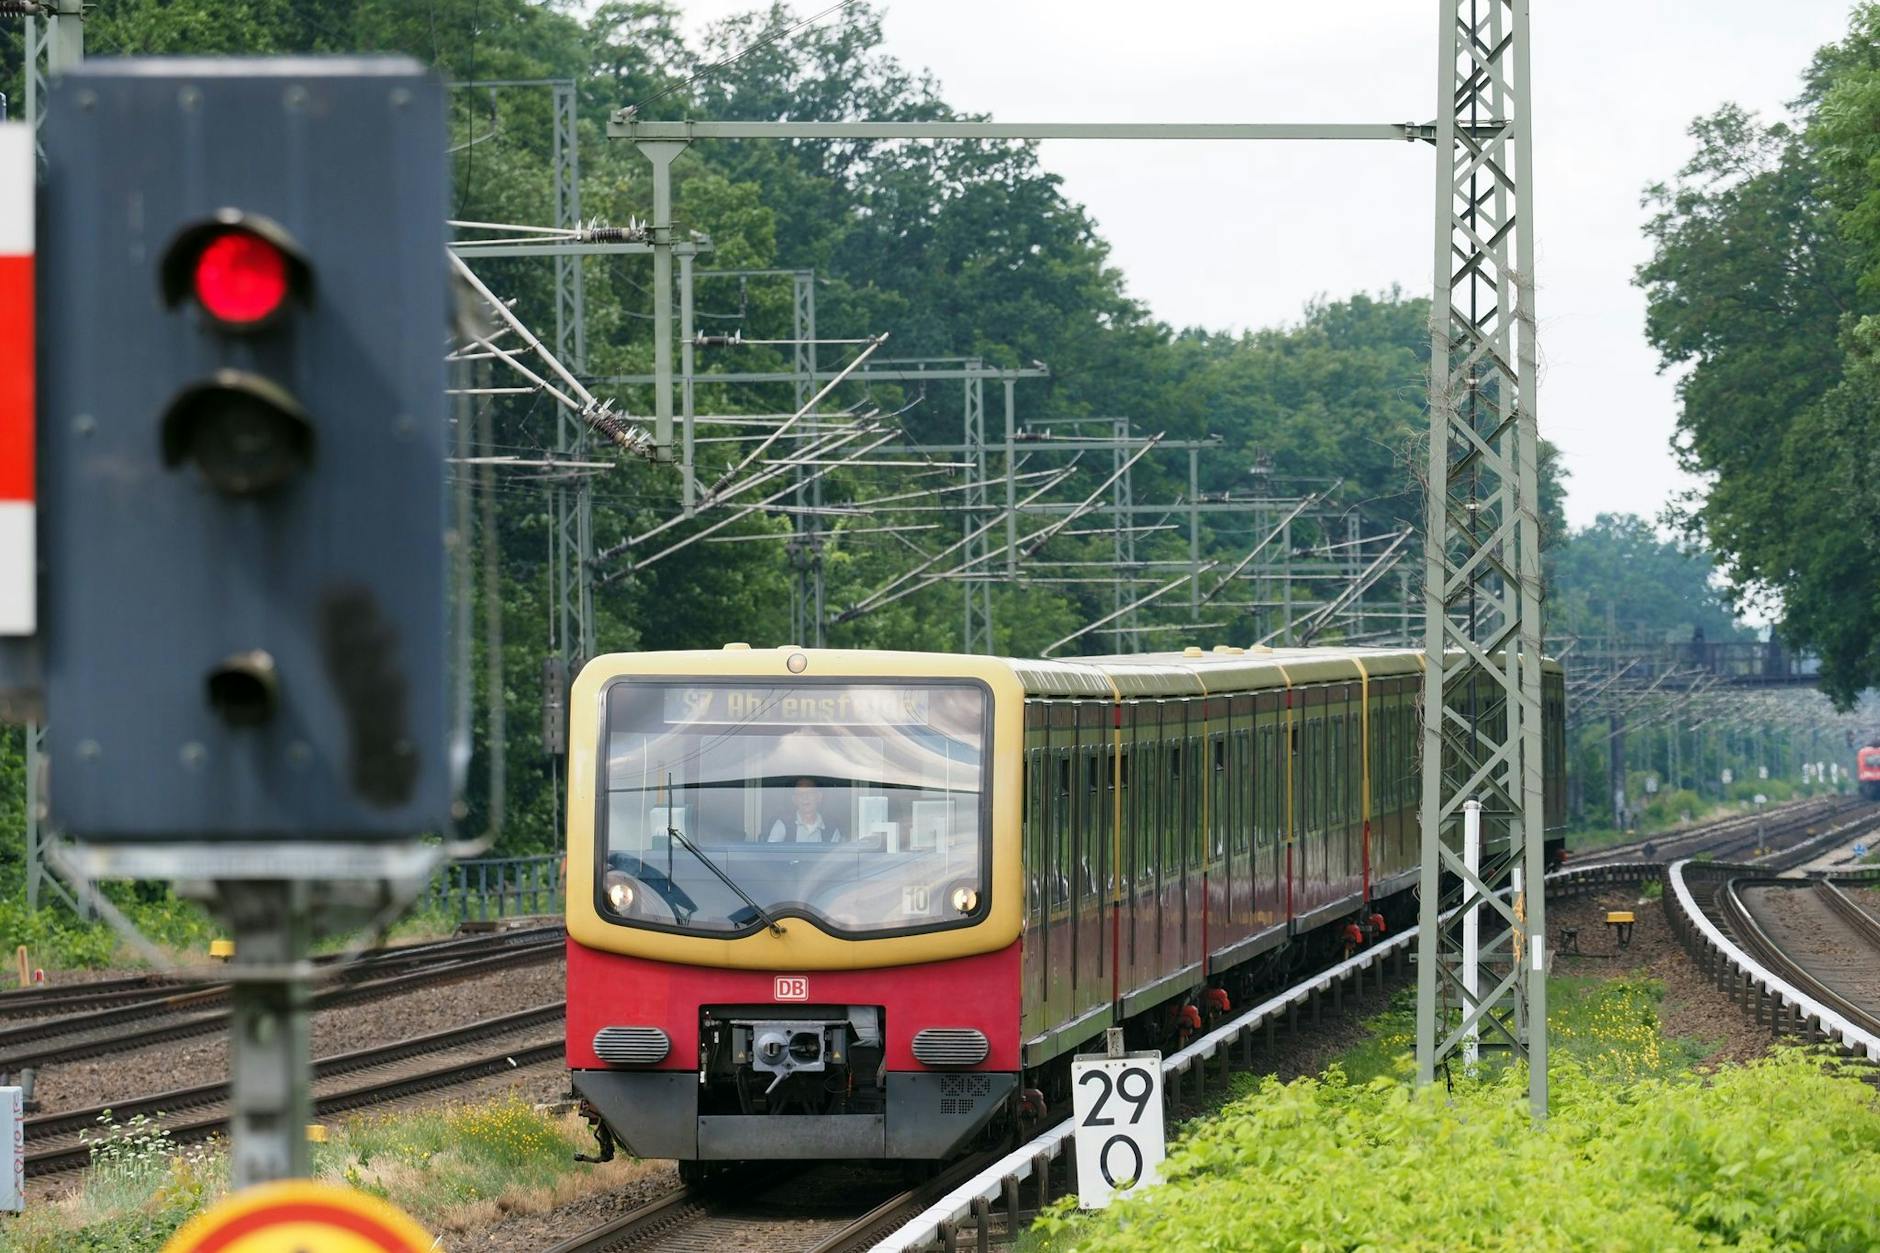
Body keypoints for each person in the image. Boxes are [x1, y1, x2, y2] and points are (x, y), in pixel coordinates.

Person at [767, 778, 843, 844]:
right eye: (800, 794)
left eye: (810, 793)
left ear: (819, 797)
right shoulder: (783, 824)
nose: (805, 797)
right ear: (794, 800)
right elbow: (770, 855)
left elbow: (836, 858)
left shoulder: (831, 828)